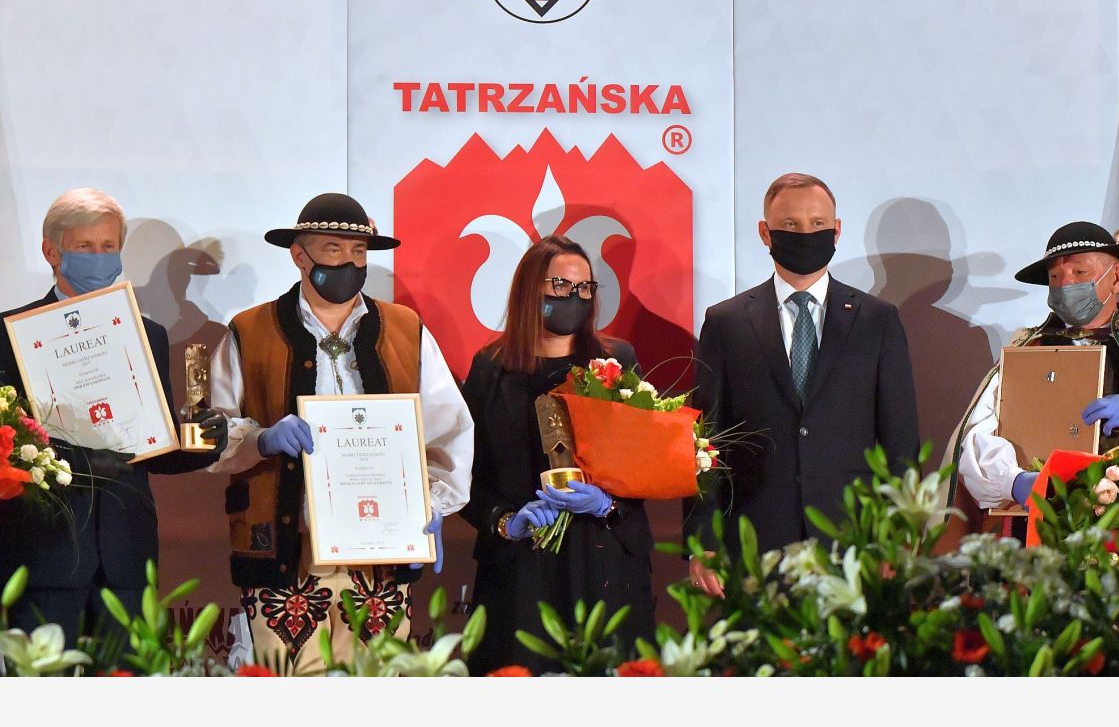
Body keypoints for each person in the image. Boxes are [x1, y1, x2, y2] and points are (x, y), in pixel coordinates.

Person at [207, 193, 473, 672]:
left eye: (358, 252)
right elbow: (213, 431)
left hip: (381, 554)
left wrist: (433, 502)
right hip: (289, 551)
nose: (349, 263)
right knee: (291, 686)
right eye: (333, 249)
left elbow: (448, 427)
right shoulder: (249, 331)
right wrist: (260, 439)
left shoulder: (405, 328)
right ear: (299, 254)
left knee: (377, 686)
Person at [0, 188, 227, 645]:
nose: (99, 257)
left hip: (126, 556)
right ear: (52, 252)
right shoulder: (9, 335)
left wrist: (202, 441)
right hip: (42, 557)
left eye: (109, 246)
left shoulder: (148, 335)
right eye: (85, 247)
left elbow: (152, 443)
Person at [686, 173, 919, 597]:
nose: (806, 233)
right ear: (765, 233)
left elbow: (900, 440)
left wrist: (897, 533)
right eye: (791, 224)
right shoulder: (726, 322)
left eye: (817, 223)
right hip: (753, 543)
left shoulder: (877, 321)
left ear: (837, 230)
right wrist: (702, 540)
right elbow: (704, 440)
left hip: (853, 542)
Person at [459, 235, 655, 675]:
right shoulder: (491, 368)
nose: (574, 298)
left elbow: (644, 464)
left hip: (602, 563)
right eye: (561, 287)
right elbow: (465, 476)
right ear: (530, 290)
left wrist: (607, 504)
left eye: (585, 288)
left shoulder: (615, 363)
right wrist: (506, 521)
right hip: (520, 572)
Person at [944, 222, 1119, 555]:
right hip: (1036, 528)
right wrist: (1013, 480)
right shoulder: (1028, 347)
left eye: (1080, 272)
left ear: (1116, 277)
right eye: (1055, 277)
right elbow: (979, 431)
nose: (1066, 284)